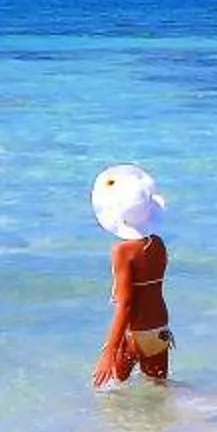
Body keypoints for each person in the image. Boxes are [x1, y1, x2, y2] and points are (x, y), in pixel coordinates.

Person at [89, 164, 171, 387]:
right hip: (160, 330)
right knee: (159, 392)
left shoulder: (122, 251)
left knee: (112, 394)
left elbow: (125, 304)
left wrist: (110, 350)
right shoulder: (158, 245)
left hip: (135, 333)